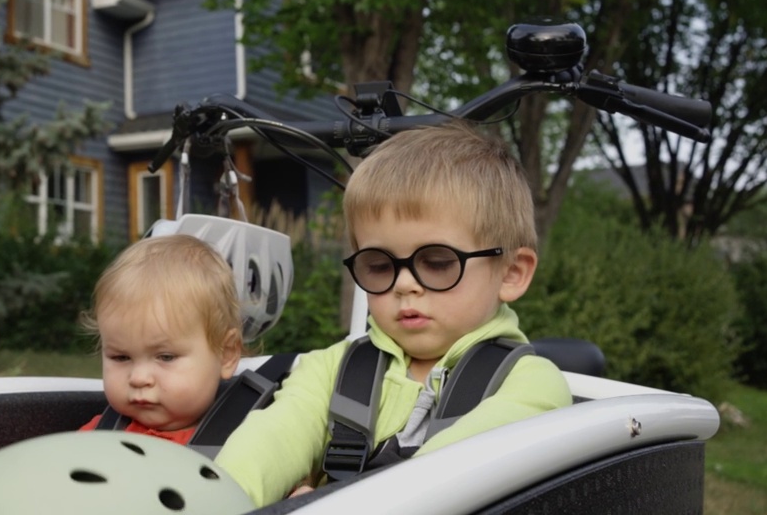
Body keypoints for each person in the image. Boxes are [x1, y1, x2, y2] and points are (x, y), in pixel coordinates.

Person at [214, 123, 573, 507]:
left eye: (436, 262)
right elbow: (269, 442)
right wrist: (215, 501)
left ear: (512, 273)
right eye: (380, 265)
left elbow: (451, 476)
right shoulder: (330, 371)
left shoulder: (533, 387)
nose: (404, 284)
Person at [78, 234, 244, 444]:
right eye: (121, 357)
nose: (138, 379)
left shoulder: (241, 445)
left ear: (226, 354)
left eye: (165, 357)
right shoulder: (96, 436)